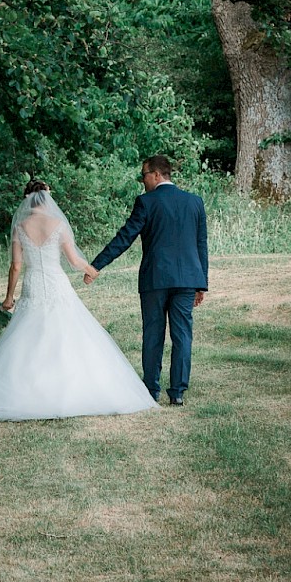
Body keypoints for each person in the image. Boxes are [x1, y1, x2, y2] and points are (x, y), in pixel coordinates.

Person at [0, 180, 157, 421]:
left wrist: (8, 297)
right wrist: (92, 270)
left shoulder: (20, 227)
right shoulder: (58, 224)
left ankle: (28, 391)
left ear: (27, 198)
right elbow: (74, 261)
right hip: (57, 284)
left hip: (33, 284)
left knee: (27, 335)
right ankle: (71, 388)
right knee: (67, 333)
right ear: (47, 198)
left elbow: (15, 266)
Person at [83, 154, 208, 406]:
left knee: (153, 334)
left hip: (155, 278)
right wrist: (201, 282)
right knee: (183, 335)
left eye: (144, 175)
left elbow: (125, 237)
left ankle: (151, 390)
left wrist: (97, 265)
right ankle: (178, 394)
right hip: (187, 279)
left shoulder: (146, 202)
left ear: (157, 175)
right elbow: (201, 244)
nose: (143, 180)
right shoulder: (194, 202)